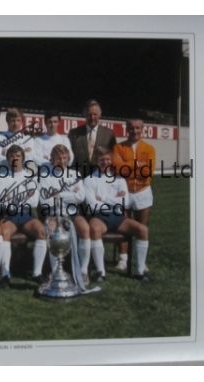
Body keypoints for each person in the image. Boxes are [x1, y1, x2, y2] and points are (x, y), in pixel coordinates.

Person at [84, 147, 150, 282]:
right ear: (96, 161)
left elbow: (125, 202)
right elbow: (92, 204)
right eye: (101, 160)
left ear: (111, 161)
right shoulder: (89, 180)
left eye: (107, 159)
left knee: (142, 230)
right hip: (99, 216)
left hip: (119, 217)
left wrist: (103, 199)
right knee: (94, 229)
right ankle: (100, 272)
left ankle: (139, 271)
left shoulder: (119, 179)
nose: (105, 162)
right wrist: (114, 199)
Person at [38, 144, 91, 284]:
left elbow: (80, 197)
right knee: (50, 230)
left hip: (73, 213)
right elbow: (45, 201)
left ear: (68, 159)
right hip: (53, 213)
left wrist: (58, 194)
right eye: (57, 158)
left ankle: (83, 271)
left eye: (64, 158)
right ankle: (55, 271)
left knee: (85, 229)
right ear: (51, 159)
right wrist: (69, 194)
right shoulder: (45, 175)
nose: (61, 161)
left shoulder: (75, 174)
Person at [0, 145, 47, 286]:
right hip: (9, 215)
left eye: (18, 156)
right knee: (4, 232)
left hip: (27, 214)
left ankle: (37, 273)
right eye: (11, 156)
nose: (15, 159)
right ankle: (5, 274)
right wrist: (21, 197)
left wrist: (11, 198)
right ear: (7, 159)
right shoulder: (0, 176)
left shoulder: (30, 176)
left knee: (42, 231)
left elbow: (34, 201)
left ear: (23, 158)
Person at [112, 119, 156, 271]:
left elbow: (148, 172)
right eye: (131, 128)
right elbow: (118, 169)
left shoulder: (149, 148)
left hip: (143, 191)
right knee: (122, 226)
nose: (134, 131)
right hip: (124, 191)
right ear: (126, 129)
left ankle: (140, 261)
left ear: (142, 129)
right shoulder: (118, 147)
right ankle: (123, 259)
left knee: (142, 227)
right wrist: (138, 165)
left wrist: (128, 165)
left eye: (137, 128)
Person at [68, 100, 116, 177]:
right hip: (78, 177)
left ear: (100, 114)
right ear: (84, 114)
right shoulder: (74, 133)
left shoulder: (109, 134)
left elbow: (113, 156)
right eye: (89, 114)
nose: (92, 117)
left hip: (100, 177)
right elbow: (69, 156)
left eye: (95, 114)